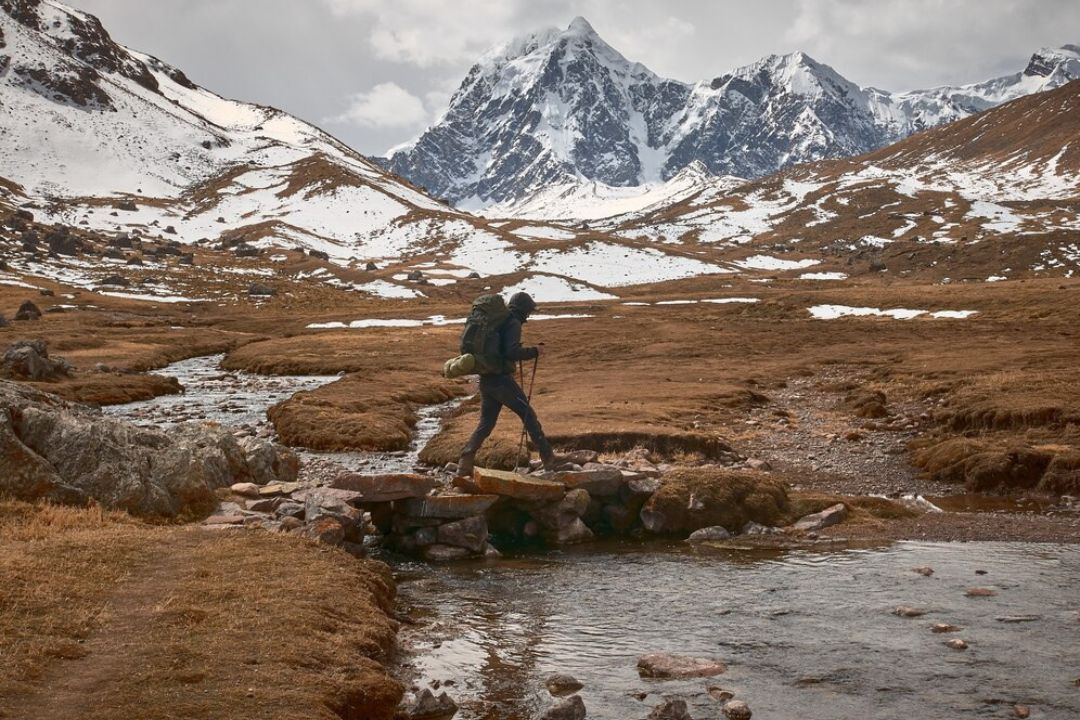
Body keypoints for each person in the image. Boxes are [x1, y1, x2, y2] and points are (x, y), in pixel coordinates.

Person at [458, 292, 556, 475]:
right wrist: (535, 351)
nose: (529, 316)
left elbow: (502, 350)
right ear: (523, 309)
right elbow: (510, 352)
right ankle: (548, 458)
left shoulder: (499, 322)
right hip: (501, 381)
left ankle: (464, 463)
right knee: (528, 415)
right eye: (529, 311)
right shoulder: (513, 323)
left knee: (486, 424)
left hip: (487, 380)